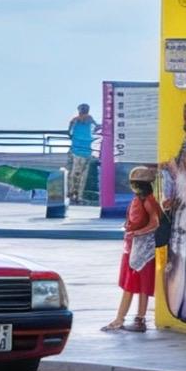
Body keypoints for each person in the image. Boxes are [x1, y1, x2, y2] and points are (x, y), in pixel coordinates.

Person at [102, 166, 160, 333]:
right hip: (133, 245)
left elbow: (154, 223)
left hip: (142, 247)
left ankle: (126, 318)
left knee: (136, 284)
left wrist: (136, 233)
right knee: (135, 284)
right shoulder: (143, 200)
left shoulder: (148, 201)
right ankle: (132, 318)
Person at [66, 103, 96, 204]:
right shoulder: (89, 120)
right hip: (85, 150)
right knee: (82, 175)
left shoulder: (75, 120)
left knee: (73, 173)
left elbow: (69, 133)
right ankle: (78, 196)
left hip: (76, 150)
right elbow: (96, 129)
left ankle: (72, 194)